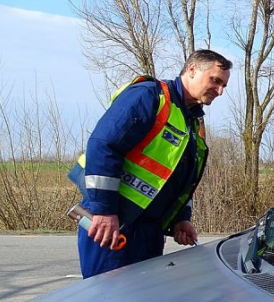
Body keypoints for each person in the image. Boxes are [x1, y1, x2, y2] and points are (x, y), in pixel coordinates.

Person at [68, 50, 232, 278]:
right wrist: (104, 211)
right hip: (115, 226)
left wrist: (180, 219)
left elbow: (177, 177)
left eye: (224, 85)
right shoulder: (149, 96)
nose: (220, 91)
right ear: (192, 70)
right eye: (215, 81)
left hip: (149, 232)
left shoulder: (191, 121)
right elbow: (103, 146)